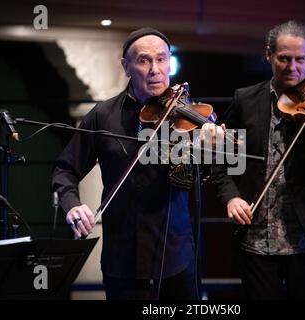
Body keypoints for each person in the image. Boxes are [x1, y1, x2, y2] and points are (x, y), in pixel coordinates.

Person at [52, 27, 222, 300]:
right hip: (123, 259)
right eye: (144, 60)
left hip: (176, 256)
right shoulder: (103, 115)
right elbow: (65, 169)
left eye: (162, 59)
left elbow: (210, 174)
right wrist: (72, 205)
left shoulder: (186, 114)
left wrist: (214, 149)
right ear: (126, 66)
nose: (155, 69)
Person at [213, 20, 305, 299]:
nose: (293, 68)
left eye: (300, 59)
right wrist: (231, 197)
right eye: (284, 59)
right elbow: (222, 160)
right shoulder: (245, 100)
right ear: (268, 55)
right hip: (256, 238)